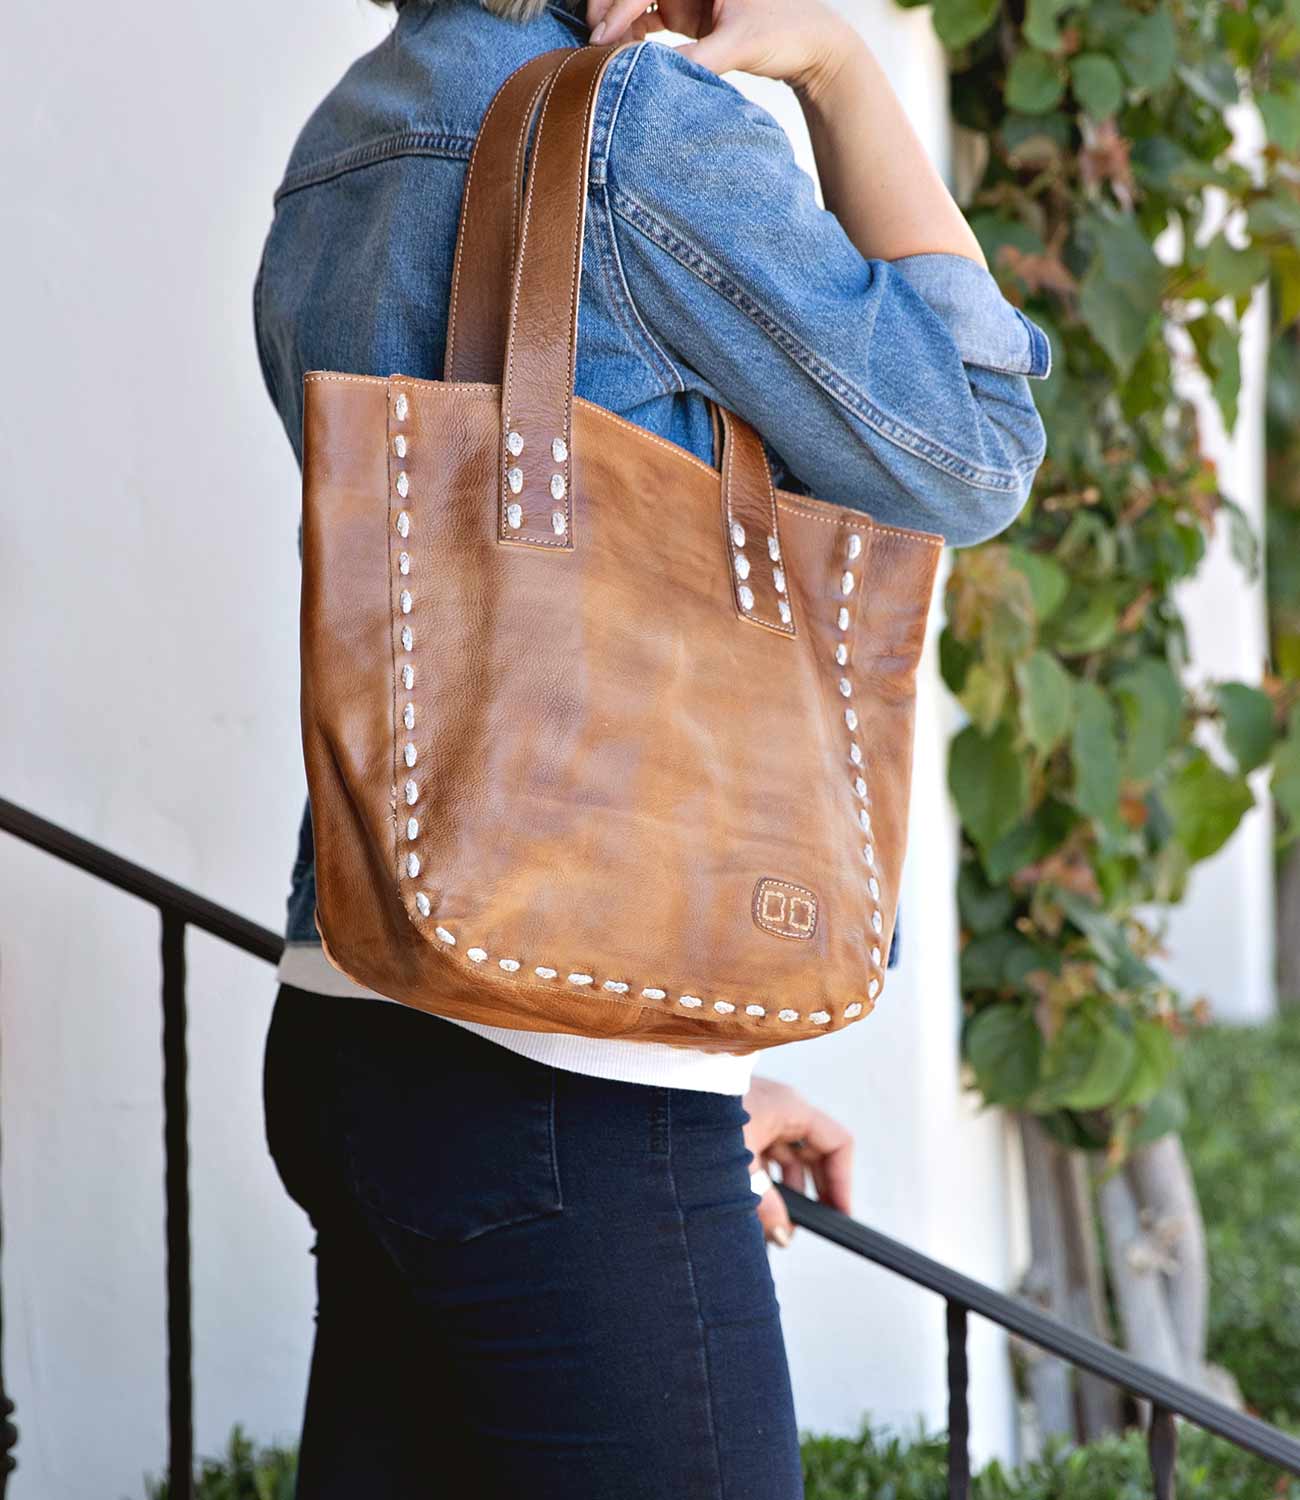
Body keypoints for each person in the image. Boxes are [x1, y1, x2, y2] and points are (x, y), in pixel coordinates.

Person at [255, 1, 1049, 1494]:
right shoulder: (642, 128)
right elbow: (974, 445)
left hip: (356, 1022)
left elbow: (435, 628)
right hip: (561, 1093)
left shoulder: (344, 135)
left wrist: (700, 1064)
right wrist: (834, 66)